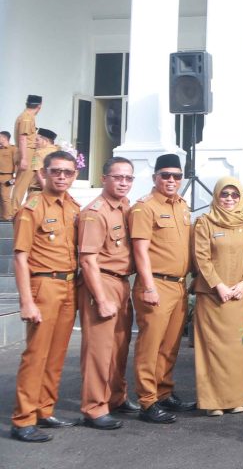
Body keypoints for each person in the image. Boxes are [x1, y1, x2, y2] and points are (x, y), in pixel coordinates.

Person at [9, 150, 80, 443]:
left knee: (56, 354)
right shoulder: (32, 208)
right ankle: (23, 418)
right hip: (43, 285)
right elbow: (20, 258)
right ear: (44, 174)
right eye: (56, 171)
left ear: (74, 175)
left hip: (69, 285)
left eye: (67, 172)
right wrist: (26, 301)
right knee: (36, 355)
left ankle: (44, 409)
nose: (62, 176)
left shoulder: (74, 208)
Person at [130, 153, 195, 424]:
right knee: (150, 345)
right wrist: (147, 286)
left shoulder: (182, 205)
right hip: (155, 284)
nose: (171, 180)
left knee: (169, 346)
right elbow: (140, 250)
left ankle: (164, 392)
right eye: (165, 175)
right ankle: (147, 400)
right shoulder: (144, 207)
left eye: (177, 176)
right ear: (155, 177)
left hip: (178, 285)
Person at [78, 157, 137, 430]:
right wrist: (100, 299)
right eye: (118, 177)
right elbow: (88, 260)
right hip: (101, 282)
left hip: (122, 282)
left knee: (119, 347)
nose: (123, 182)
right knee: (99, 350)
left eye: (128, 178)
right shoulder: (95, 212)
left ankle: (116, 397)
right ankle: (94, 407)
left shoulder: (125, 207)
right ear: (104, 179)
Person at [191, 177, 243, 416]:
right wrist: (218, 286)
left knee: (237, 350)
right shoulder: (204, 223)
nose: (229, 199)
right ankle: (213, 402)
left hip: (239, 296)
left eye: (234, 195)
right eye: (224, 194)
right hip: (213, 297)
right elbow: (202, 258)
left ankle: (237, 398)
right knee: (213, 350)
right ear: (217, 196)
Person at [10, 94, 42, 211]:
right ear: (39, 106)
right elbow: (23, 138)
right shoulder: (27, 118)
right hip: (26, 152)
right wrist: (24, 158)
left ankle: (28, 210)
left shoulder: (27, 116)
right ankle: (13, 211)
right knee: (21, 184)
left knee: (32, 183)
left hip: (30, 152)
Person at [0, 130, 17, 221]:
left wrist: (15, 178)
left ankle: (8, 217)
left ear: (4, 138)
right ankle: (1, 217)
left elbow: (16, 164)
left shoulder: (13, 149)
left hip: (7, 176)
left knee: (5, 197)